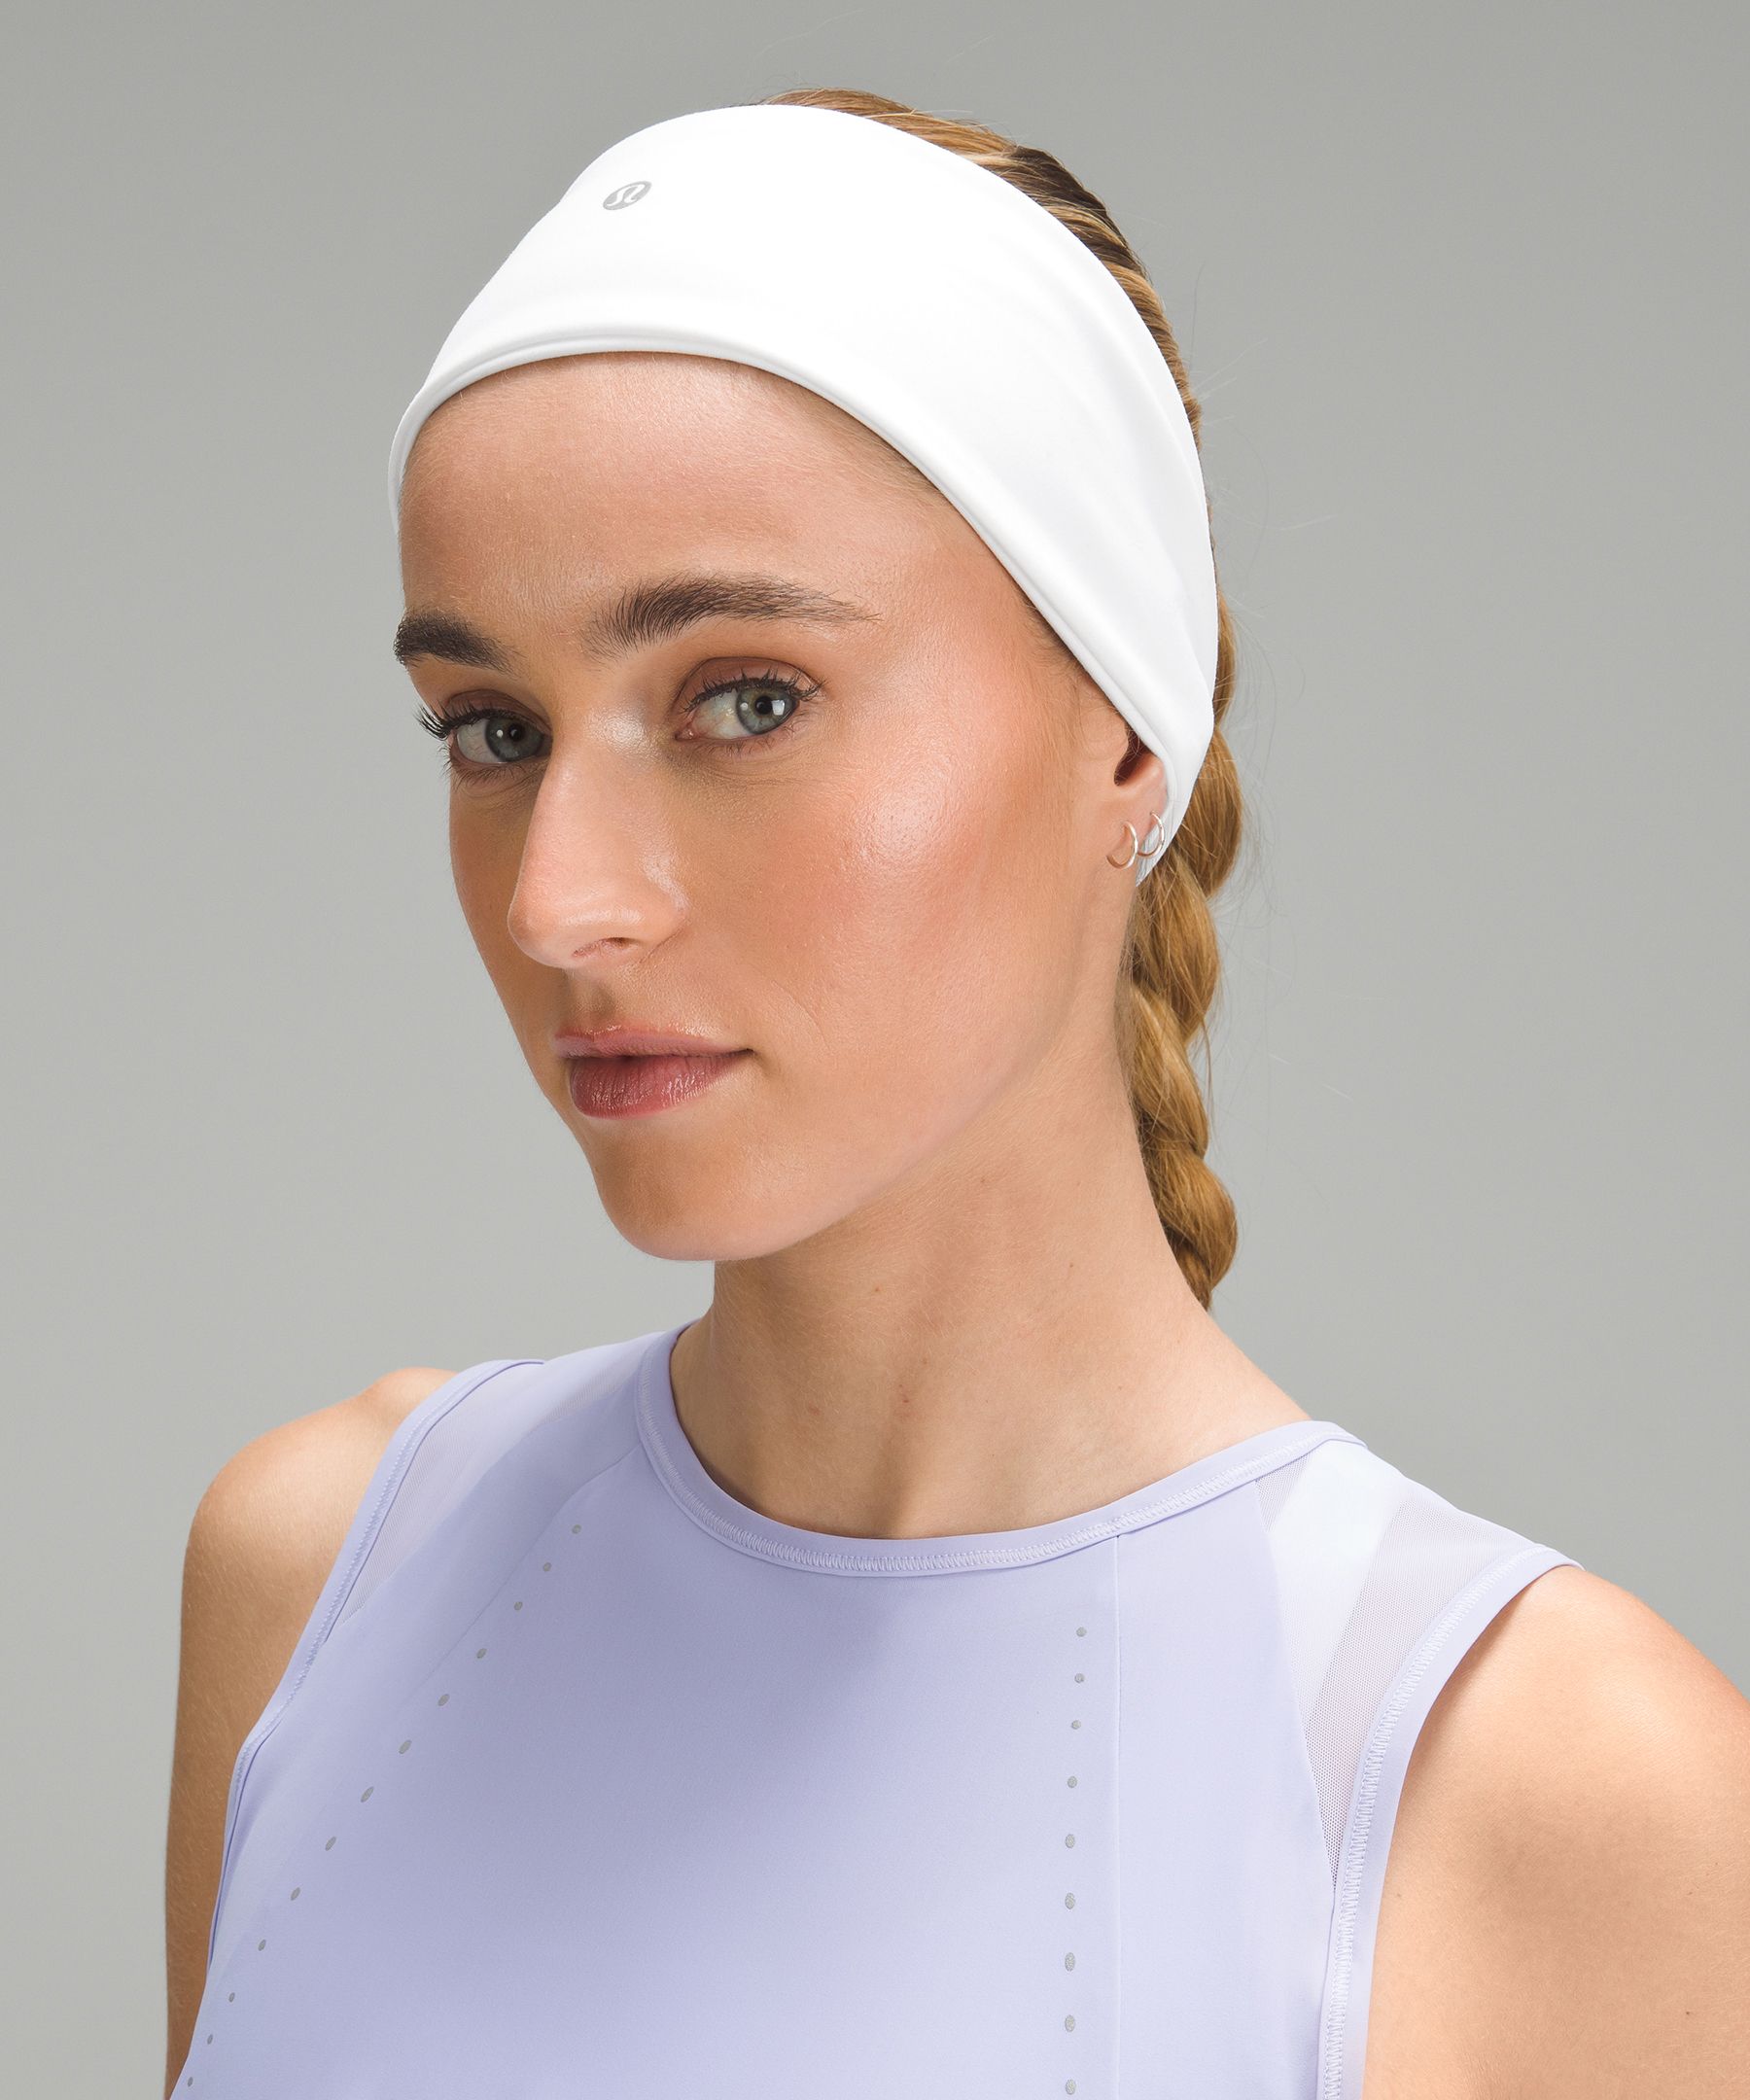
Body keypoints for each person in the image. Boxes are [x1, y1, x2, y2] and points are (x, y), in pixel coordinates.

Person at [163, 87, 1750, 2099]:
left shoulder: (1549, 1796)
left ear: (1127, 730)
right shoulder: (325, 1577)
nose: (562, 900)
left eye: (747, 699)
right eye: (491, 729)